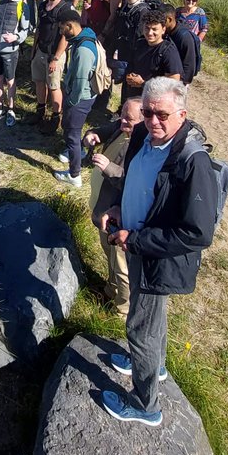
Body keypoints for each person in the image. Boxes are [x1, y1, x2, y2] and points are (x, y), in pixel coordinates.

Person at [94, 78, 218, 426]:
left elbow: (197, 233)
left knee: (139, 327)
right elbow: (136, 183)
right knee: (152, 318)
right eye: (147, 113)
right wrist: (119, 209)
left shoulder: (192, 161)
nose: (153, 121)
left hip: (156, 257)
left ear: (182, 113)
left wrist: (135, 240)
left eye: (161, 114)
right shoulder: (141, 137)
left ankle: (145, 405)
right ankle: (155, 365)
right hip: (135, 242)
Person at [83, 96, 145, 317]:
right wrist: (90, 136)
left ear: (144, 120)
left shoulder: (142, 147)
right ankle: (110, 290)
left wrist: (109, 167)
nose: (123, 122)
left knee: (122, 266)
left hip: (119, 217)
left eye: (129, 119)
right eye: (122, 116)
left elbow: (135, 183)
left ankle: (122, 311)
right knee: (109, 253)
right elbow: (101, 130)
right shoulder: (121, 128)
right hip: (102, 210)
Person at [30, 0, 79, 134]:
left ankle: (56, 117)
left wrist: (56, 58)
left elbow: (66, 36)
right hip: (40, 50)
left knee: (54, 86)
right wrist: (33, 49)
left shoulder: (66, 9)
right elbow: (39, 28)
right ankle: (40, 111)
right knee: (39, 81)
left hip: (55, 54)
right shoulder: (43, 5)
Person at [53, 15, 97, 187]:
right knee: (73, 131)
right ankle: (80, 152)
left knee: (71, 133)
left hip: (80, 98)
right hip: (83, 96)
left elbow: (80, 81)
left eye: (61, 28)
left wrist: (71, 102)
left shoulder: (83, 50)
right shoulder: (85, 36)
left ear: (70, 26)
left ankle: (74, 175)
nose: (60, 32)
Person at [125, 11, 182, 90]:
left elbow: (173, 84)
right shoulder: (139, 43)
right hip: (132, 95)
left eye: (154, 29)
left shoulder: (168, 52)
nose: (150, 33)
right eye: (147, 28)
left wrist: (143, 84)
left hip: (154, 99)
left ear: (163, 30)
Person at [163, 5, 199, 85]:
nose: (159, 23)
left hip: (179, 83)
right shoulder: (166, 32)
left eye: (161, 21)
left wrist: (181, 84)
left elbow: (189, 65)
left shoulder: (184, 37)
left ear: (169, 19)